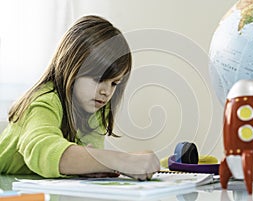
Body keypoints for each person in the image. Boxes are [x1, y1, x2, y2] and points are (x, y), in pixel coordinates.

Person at [0, 15, 160, 180]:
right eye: (98, 79)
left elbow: (91, 157)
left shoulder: (95, 106)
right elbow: (43, 150)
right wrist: (121, 160)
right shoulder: (44, 101)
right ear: (71, 67)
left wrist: (97, 164)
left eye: (114, 83)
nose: (106, 91)